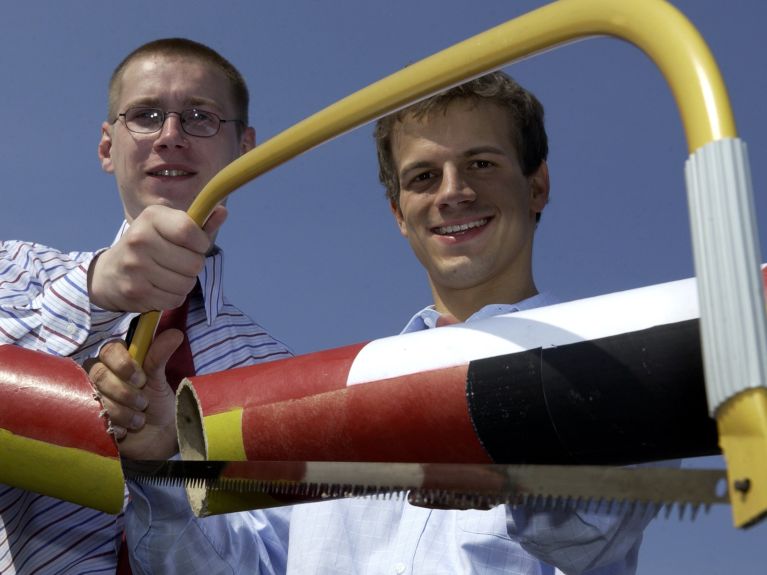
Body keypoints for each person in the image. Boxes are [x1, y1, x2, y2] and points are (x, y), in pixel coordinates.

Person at [101, 71, 657, 574]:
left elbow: (592, 532)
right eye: (422, 177)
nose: (453, 193)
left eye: (481, 164)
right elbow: (242, 565)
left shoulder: (605, 359)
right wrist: (159, 463)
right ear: (398, 213)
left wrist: (507, 464)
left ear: (536, 185)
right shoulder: (334, 397)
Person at [0, 38, 291, 574]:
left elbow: (268, 562)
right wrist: (95, 291)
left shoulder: (275, 373)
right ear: (107, 147)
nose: (170, 136)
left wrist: (163, 469)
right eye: (146, 115)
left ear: (244, 148)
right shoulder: (14, 271)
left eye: (200, 117)